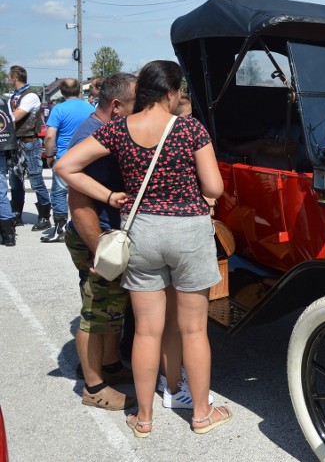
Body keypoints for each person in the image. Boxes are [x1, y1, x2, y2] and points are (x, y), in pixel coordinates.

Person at [56, 60, 232, 437]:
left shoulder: (118, 129)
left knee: (147, 332)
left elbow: (66, 166)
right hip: (187, 232)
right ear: (170, 92)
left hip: (143, 231)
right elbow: (214, 188)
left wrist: (109, 195)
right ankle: (201, 415)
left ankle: (145, 419)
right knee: (193, 330)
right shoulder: (189, 128)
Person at [66, 72, 137, 410]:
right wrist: (99, 252)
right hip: (95, 236)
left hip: (105, 234)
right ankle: (94, 387)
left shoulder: (101, 129)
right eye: (138, 105)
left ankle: (109, 366)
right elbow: (78, 202)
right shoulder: (91, 136)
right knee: (96, 309)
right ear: (117, 106)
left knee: (111, 306)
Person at [41, 78, 95, 243]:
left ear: (62, 91)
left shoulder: (58, 109)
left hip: (65, 156)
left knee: (59, 192)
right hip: (87, 156)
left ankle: (60, 228)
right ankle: (86, 227)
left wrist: (49, 157)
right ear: (79, 90)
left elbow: (50, 135)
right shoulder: (90, 107)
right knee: (86, 192)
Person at [7, 65, 52, 230]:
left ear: (14, 78)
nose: (8, 80)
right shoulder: (15, 95)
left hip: (29, 142)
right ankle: (17, 213)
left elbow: (15, 116)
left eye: (9, 77)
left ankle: (44, 215)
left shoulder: (30, 95)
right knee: (15, 180)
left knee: (36, 180)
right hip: (16, 143)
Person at [0, 95, 17, 246]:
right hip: (2, 148)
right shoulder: (3, 102)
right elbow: (11, 124)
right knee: (1, 191)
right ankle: (9, 235)